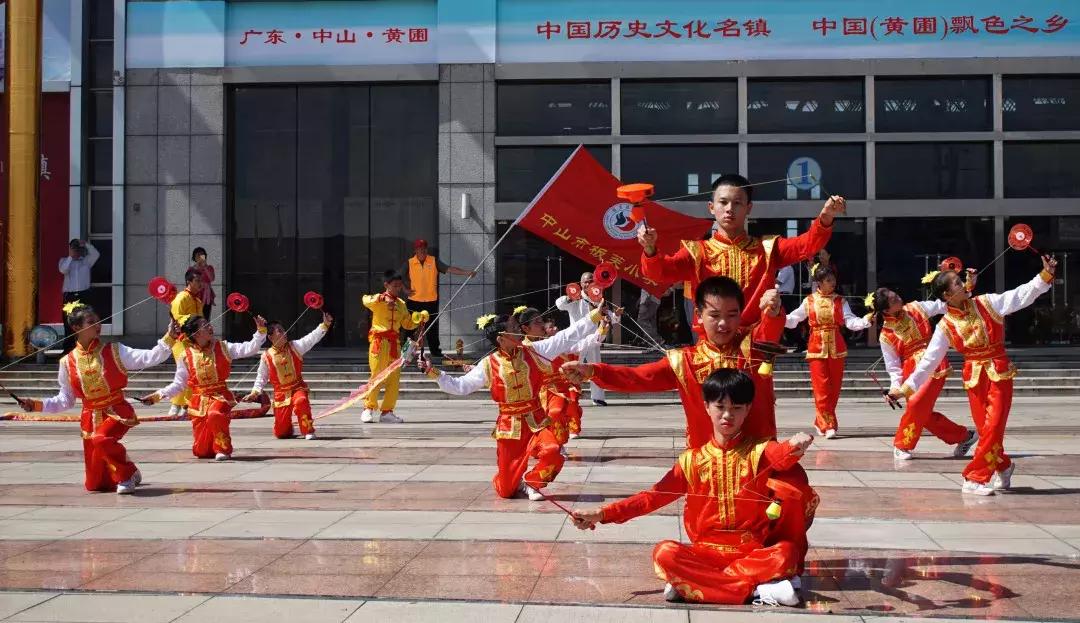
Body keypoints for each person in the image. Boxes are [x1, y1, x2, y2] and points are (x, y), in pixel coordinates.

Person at [571, 369, 816, 606]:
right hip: (705, 553)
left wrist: (796, 443)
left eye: (736, 408)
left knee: (786, 553)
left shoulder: (760, 451)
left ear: (748, 409)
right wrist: (603, 513)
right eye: (720, 407)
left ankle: (697, 584)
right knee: (665, 553)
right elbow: (652, 497)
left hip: (751, 552)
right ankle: (755, 590)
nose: (727, 415)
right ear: (706, 407)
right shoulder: (692, 460)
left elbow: (782, 456)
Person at [890, 256, 1057, 496]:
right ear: (947, 295)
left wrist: (1045, 275)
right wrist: (904, 388)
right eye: (958, 283)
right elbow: (928, 362)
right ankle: (1004, 466)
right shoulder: (945, 326)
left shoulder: (987, 303)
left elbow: (1020, 295)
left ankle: (974, 478)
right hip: (974, 378)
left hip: (999, 372)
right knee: (985, 429)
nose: (965, 284)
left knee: (994, 426)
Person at [562, 276, 785, 446]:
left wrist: (773, 311)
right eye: (715, 315)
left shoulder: (753, 348)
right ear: (698, 315)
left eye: (732, 315)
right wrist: (593, 371)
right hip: (704, 465)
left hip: (759, 461)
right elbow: (638, 377)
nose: (723, 324)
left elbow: (769, 329)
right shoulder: (684, 361)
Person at [418, 306, 607, 499]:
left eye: (517, 327)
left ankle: (533, 482)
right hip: (509, 427)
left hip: (536, 421)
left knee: (552, 450)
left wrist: (594, 316)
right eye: (513, 328)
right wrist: (434, 373)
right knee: (506, 490)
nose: (518, 331)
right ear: (501, 339)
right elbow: (461, 386)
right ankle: (511, 481)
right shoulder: (488, 364)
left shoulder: (534, 351)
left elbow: (566, 336)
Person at [637, 174, 845, 326]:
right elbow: (658, 272)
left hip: (756, 348)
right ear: (711, 207)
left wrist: (826, 217)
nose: (729, 209)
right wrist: (649, 248)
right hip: (711, 348)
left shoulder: (767, 249)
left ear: (748, 208)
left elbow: (807, 244)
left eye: (737, 203)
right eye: (723, 202)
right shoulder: (697, 252)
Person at [18, 303, 179, 494]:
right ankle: (130, 469)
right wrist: (36, 405)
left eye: (98, 320)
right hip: (90, 417)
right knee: (95, 485)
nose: (98, 325)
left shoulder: (114, 350)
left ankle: (126, 475)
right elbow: (65, 399)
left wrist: (169, 338)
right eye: (91, 321)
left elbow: (149, 357)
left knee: (101, 438)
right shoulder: (67, 362)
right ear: (76, 328)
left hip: (116, 410)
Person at [871, 284, 977, 461]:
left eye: (896, 295)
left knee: (916, 405)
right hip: (910, 372)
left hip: (933, 363)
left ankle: (902, 444)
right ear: (886, 310)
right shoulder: (885, 335)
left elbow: (943, 305)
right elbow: (893, 367)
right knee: (923, 415)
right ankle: (965, 436)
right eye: (893, 300)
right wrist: (895, 389)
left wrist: (961, 291)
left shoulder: (916, 307)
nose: (899, 298)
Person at [142, 314, 267, 460]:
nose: (210, 327)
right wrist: (157, 396)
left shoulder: (223, 347)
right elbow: (179, 384)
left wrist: (260, 331)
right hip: (199, 402)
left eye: (209, 324)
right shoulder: (186, 356)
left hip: (220, 396)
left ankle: (223, 449)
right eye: (205, 325)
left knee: (215, 414)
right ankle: (212, 447)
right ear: (196, 333)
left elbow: (250, 348)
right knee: (201, 452)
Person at [785, 265, 871, 438]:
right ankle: (828, 425)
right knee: (821, 388)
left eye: (833, 280)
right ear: (819, 282)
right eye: (828, 280)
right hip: (816, 347)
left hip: (836, 347)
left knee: (834, 389)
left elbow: (849, 321)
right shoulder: (809, 301)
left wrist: (864, 321)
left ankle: (821, 421)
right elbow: (794, 319)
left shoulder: (840, 301)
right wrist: (778, 317)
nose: (833, 283)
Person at [243, 312, 333, 440]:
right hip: (281, 394)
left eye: (283, 330)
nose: (284, 333)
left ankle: (308, 430)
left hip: (297, 387)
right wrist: (255, 392)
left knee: (301, 400)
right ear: (270, 337)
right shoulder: (266, 356)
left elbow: (311, 338)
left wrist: (325, 324)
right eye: (279, 331)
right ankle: (286, 428)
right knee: (281, 433)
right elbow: (261, 377)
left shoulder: (294, 347)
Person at [362, 270, 428, 423]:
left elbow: (407, 324)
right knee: (377, 376)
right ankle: (368, 408)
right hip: (379, 343)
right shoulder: (378, 300)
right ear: (386, 285)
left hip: (395, 345)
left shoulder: (401, 304)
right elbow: (365, 299)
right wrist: (382, 298)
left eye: (400, 286)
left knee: (394, 379)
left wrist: (419, 319)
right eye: (395, 285)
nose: (398, 288)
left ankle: (387, 412)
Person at [401, 239, 475, 360]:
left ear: (427, 249)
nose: (422, 250)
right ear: (415, 250)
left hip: (431, 301)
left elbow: (449, 269)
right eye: (420, 248)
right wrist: (405, 289)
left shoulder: (433, 261)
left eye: (424, 248)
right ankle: (405, 354)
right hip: (414, 301)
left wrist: (467, 273)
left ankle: (435, 352)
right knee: (410, 328)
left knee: (432, 328)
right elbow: (398, 276)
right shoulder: (409, 263)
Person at [555, 271, 608, 406]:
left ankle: (598, 397)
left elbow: (607, 314)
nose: (588, 283)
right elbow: (559, 304)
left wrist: (614, 315)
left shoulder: (597, 297)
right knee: (572, 368)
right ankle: (570, 396)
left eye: (591, 281)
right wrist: (570, 298)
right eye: (586, 281)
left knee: (595, 367)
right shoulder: (575, 297)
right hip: (576, 340)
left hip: (593, 339)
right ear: (581, 283)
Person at [167, 269, 205, 417]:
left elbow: (200, 320)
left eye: (201, 281)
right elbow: (177, 317)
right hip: (181, 339)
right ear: (189, 282)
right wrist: (192, 322)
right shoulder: (181, 298)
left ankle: (186, 404)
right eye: (197, 281)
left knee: (193, 372)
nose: (200, 284)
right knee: (183, 371)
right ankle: (175, 404)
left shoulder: (198, 301)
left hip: (193, 340)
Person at [58, 239, 100, 353]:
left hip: (84, 295)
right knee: (69, 322)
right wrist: (71, 256)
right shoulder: (64, 261)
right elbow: (62, 270)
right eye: (74, 248)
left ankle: (87, 347)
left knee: (86, 321)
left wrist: (85, 244)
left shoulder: (86, 261)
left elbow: (96, 254)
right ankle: (68, 349)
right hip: (70, 296)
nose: (76, 251)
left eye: (77, 249)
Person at [189, 247, 216, 320]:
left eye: (202, 255)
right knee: (195, 318)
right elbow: (189, 281)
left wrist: (205, 267)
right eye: (198, 255)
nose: (200, 257)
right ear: (194, 257)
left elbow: (212, 279)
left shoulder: (209, 267)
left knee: (206, 317)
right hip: (195, 295)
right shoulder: (191, 269)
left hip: (206, 296)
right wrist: (197, 266)